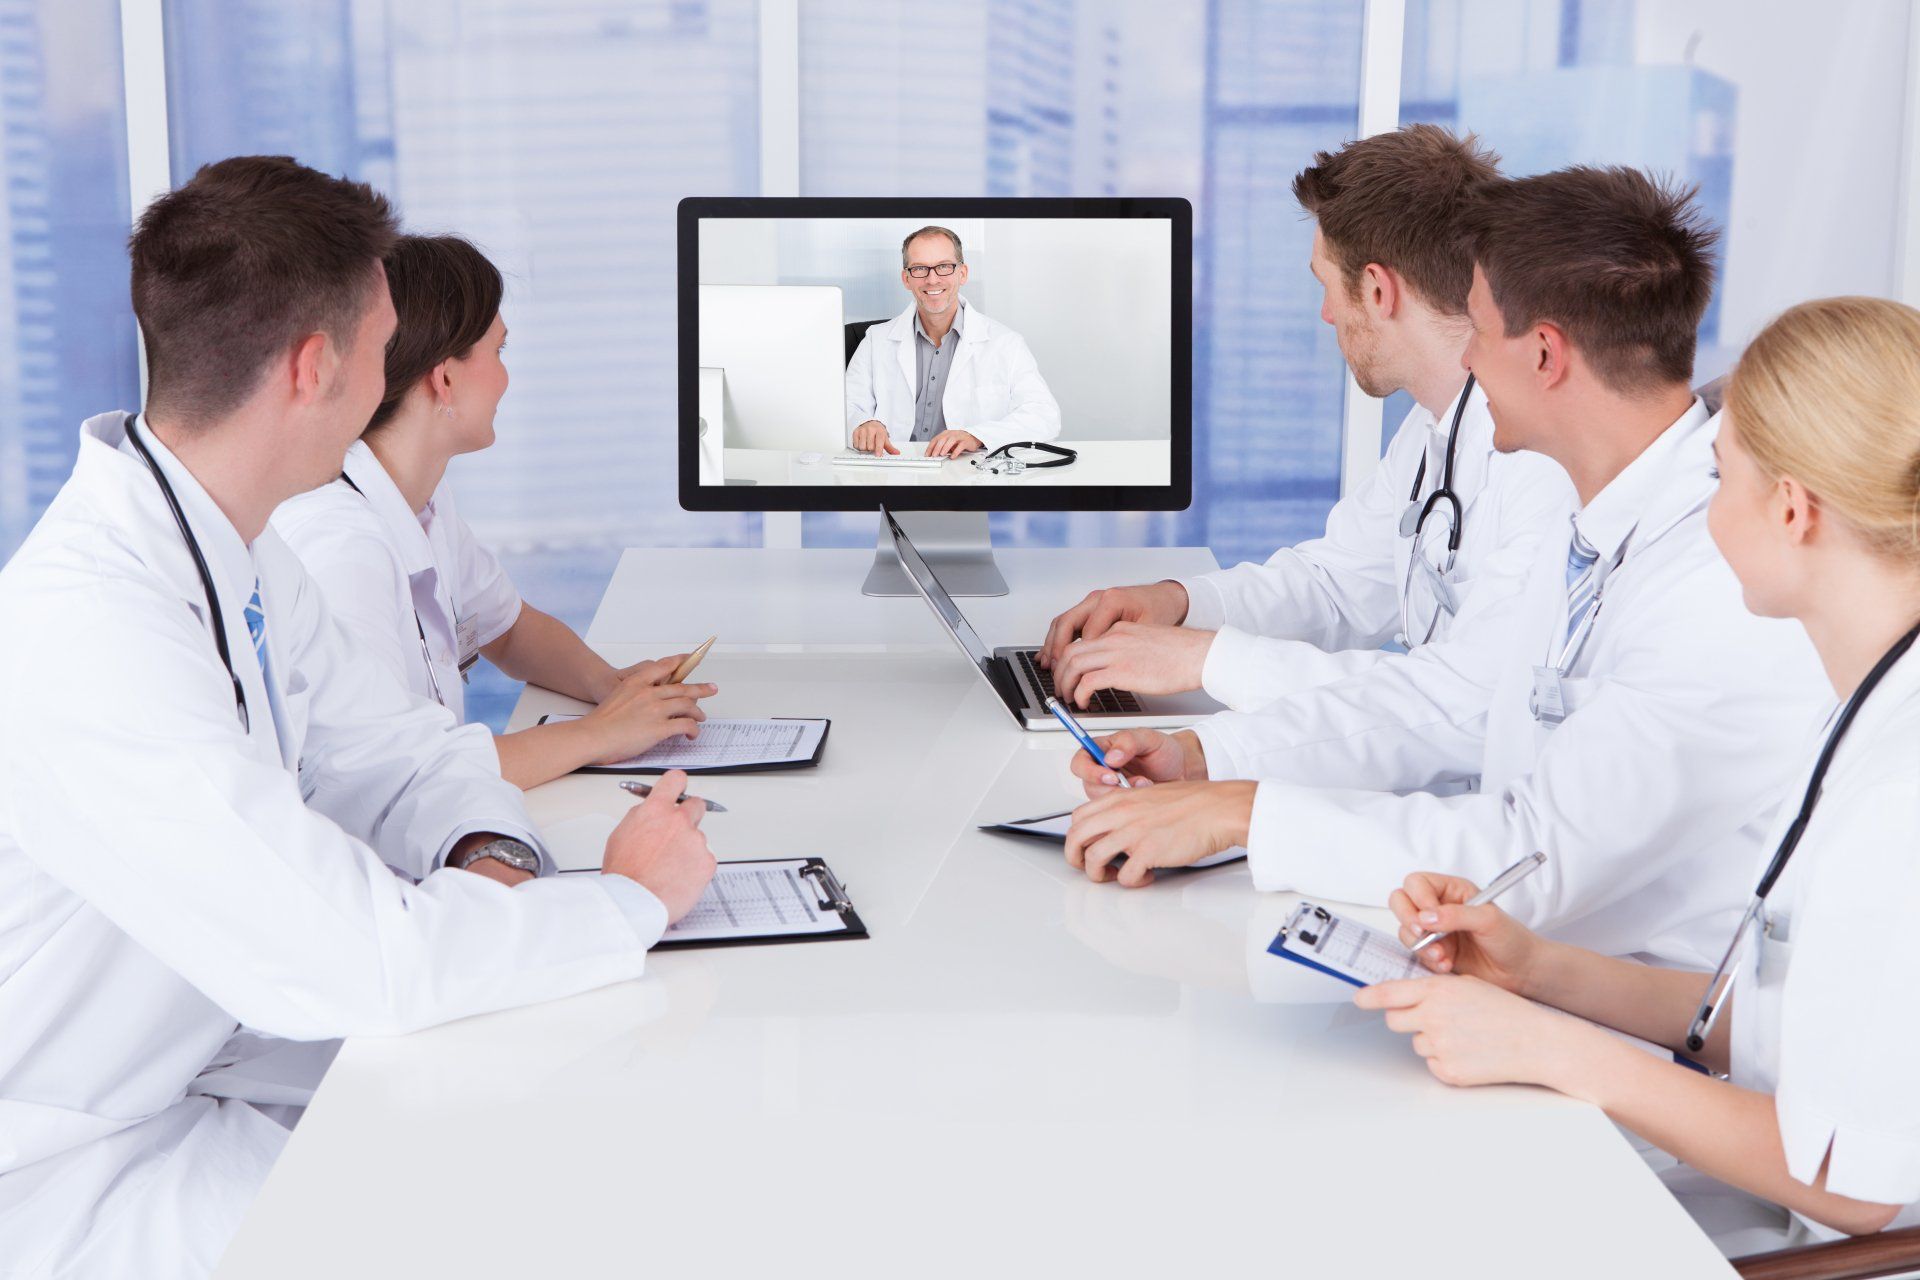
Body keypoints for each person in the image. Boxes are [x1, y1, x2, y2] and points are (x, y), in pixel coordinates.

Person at [0, 157, 716, 1278]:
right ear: (313, 367)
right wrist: (627, 898)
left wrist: (485, 851)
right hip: (73, 1164)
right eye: (385, 347)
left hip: (204, 1059)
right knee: (512, 1211)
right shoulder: (91, 636)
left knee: (578, 1103)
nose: (401, 376)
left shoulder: (237, 545)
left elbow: (405, 749)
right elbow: (349, 959)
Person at [1062, 167, 1829, 972]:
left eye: (1478, 329)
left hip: (1647, 1014)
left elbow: (1532, 855)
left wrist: (1245, 812)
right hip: (1529, 959)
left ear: (1543, 353)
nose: (1465, 358)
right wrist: (1209, 759)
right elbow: (1456, 699)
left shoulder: (1719, 580)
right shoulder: (1599, 518)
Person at [1359, 296, 1920, 1253]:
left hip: (1838, 1251)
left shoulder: (1899, 790)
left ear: (1792, 510)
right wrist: (1542, 974)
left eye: (1718, 477)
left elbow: (1851, 1182)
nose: (1704, 511)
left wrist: (1549, 1049)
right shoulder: (1870, 707)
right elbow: (1801, 1018)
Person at [1038, 124, 1572, 718]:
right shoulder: (1433, 427)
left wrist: (1206, 659)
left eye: (1325, 285)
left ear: (1376, 290)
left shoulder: (1543, 459)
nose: (1324, 315)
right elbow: (1338, 585)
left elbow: (1472, 698)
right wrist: (1179, 603)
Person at [273, 234, 716, 789]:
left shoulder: (421, 500)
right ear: (446, 377)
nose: (507, 377)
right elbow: (395, 773)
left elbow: (507, 630)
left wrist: (615, 688)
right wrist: (599, 734)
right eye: (498, 351)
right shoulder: (341, 547)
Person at [844, 224, 1061, 458]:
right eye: (919, 269)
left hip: (967, 477)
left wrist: (976, 436)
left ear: (963, 273)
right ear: (906, 279)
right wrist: (862, 423)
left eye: (944, 267)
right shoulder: (875, 340)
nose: (932, 279)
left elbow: (1044, 416)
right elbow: (845, 407)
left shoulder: (1006, 344)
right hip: (893, 471)